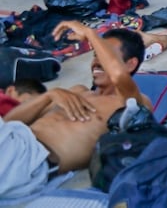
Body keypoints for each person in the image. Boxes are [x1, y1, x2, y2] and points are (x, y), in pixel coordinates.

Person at [0, 24, 147, 200]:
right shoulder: (78, 91)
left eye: (104, 54)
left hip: (29, 162)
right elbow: (10, 121)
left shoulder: (132, 103)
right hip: (11, 140)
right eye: (94, 55)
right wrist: (50, 96)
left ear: (130, 64)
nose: (96, 62)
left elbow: (118, 76)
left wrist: (90, 34)